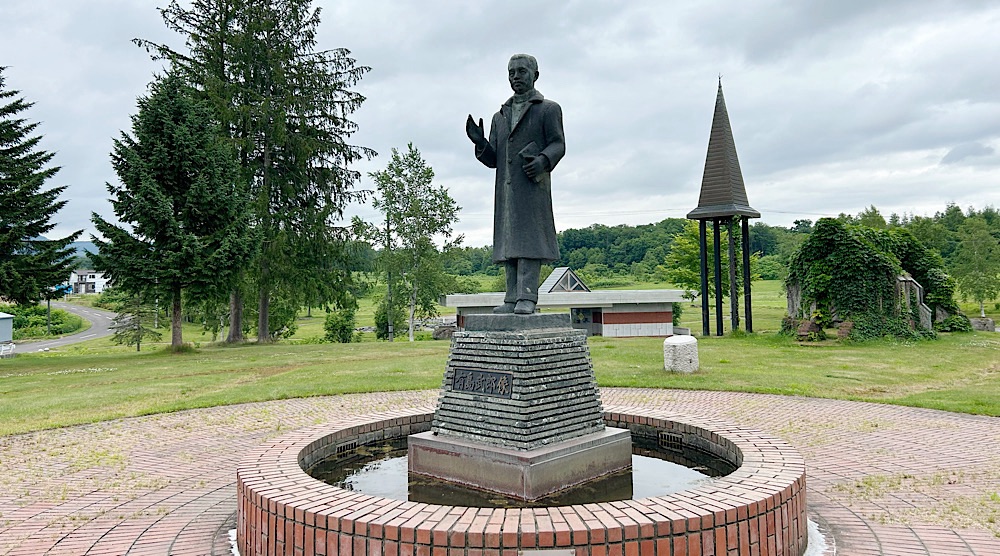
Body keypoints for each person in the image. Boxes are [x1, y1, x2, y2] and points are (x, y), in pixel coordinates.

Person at [466, 54, 566, 314]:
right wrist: (479, 142)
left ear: (535, 74)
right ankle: (511, 297)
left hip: (533, 186)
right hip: (507, 191)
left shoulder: (548, 109)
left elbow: (558, 143)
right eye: (511, 72)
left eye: (521, 71)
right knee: (509, 243)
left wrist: (543, 161)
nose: (516, 77)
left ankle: (527, 297)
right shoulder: (500, 115)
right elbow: (493, 159)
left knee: (529, 241)